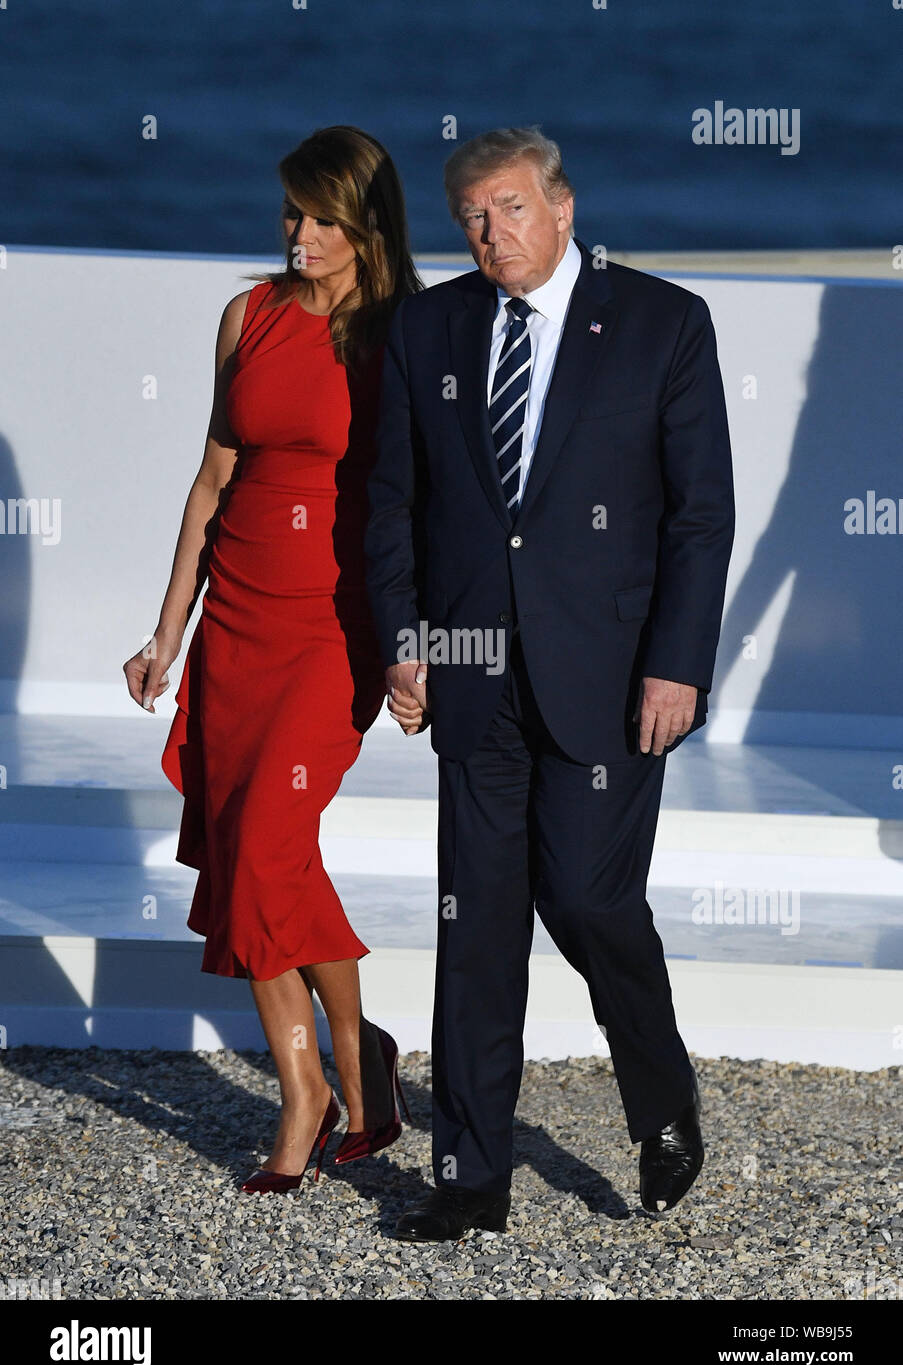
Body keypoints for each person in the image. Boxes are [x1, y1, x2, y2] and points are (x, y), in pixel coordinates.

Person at [365, 126, 735, 1240]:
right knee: (477, 928)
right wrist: (404, 640)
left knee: (586, 898)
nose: (493, 233)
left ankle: (661, 1095)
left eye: (512, 207)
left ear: (563, 209)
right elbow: (392, 499)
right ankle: (470, 1177)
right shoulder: (427, 325)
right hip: (470, 671)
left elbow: (699, 514)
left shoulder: (663, 322)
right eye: (472, 216)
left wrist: (677, 664)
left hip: (612, 677)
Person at [123, 126, 421, 1192]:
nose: (299, 233)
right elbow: (212, 480)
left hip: (333, 629)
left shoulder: (406, 332)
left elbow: (432, 504)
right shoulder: (247, 315)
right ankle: (338, 1075)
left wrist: (417, 645)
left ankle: (327, 1076)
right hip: (235, 621)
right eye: (292, 211)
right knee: (258, 855)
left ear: (366, 223)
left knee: (262, 848)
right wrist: (168, 630)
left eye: (322, 217)